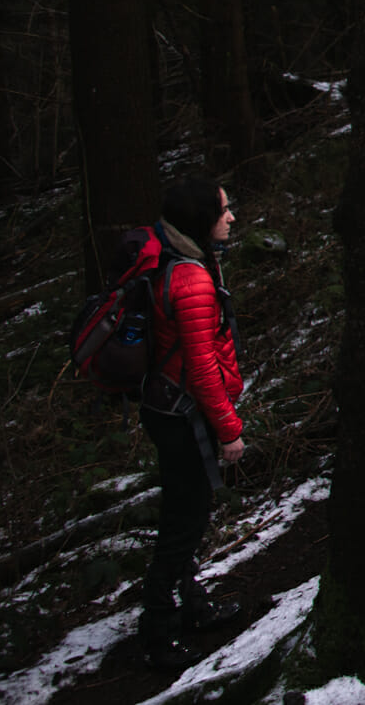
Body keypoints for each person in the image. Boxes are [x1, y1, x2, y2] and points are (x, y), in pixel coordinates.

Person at [138, 176, 247, 671]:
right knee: (183, 524)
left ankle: (192, 607)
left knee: (189, 516)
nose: (231, 217)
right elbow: (202, 368)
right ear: (201, 219)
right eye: (223, 210)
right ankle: (158, 635)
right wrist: (229, 430)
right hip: (184, 416)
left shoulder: (185, 261)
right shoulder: (192, 279)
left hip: (169, 408)